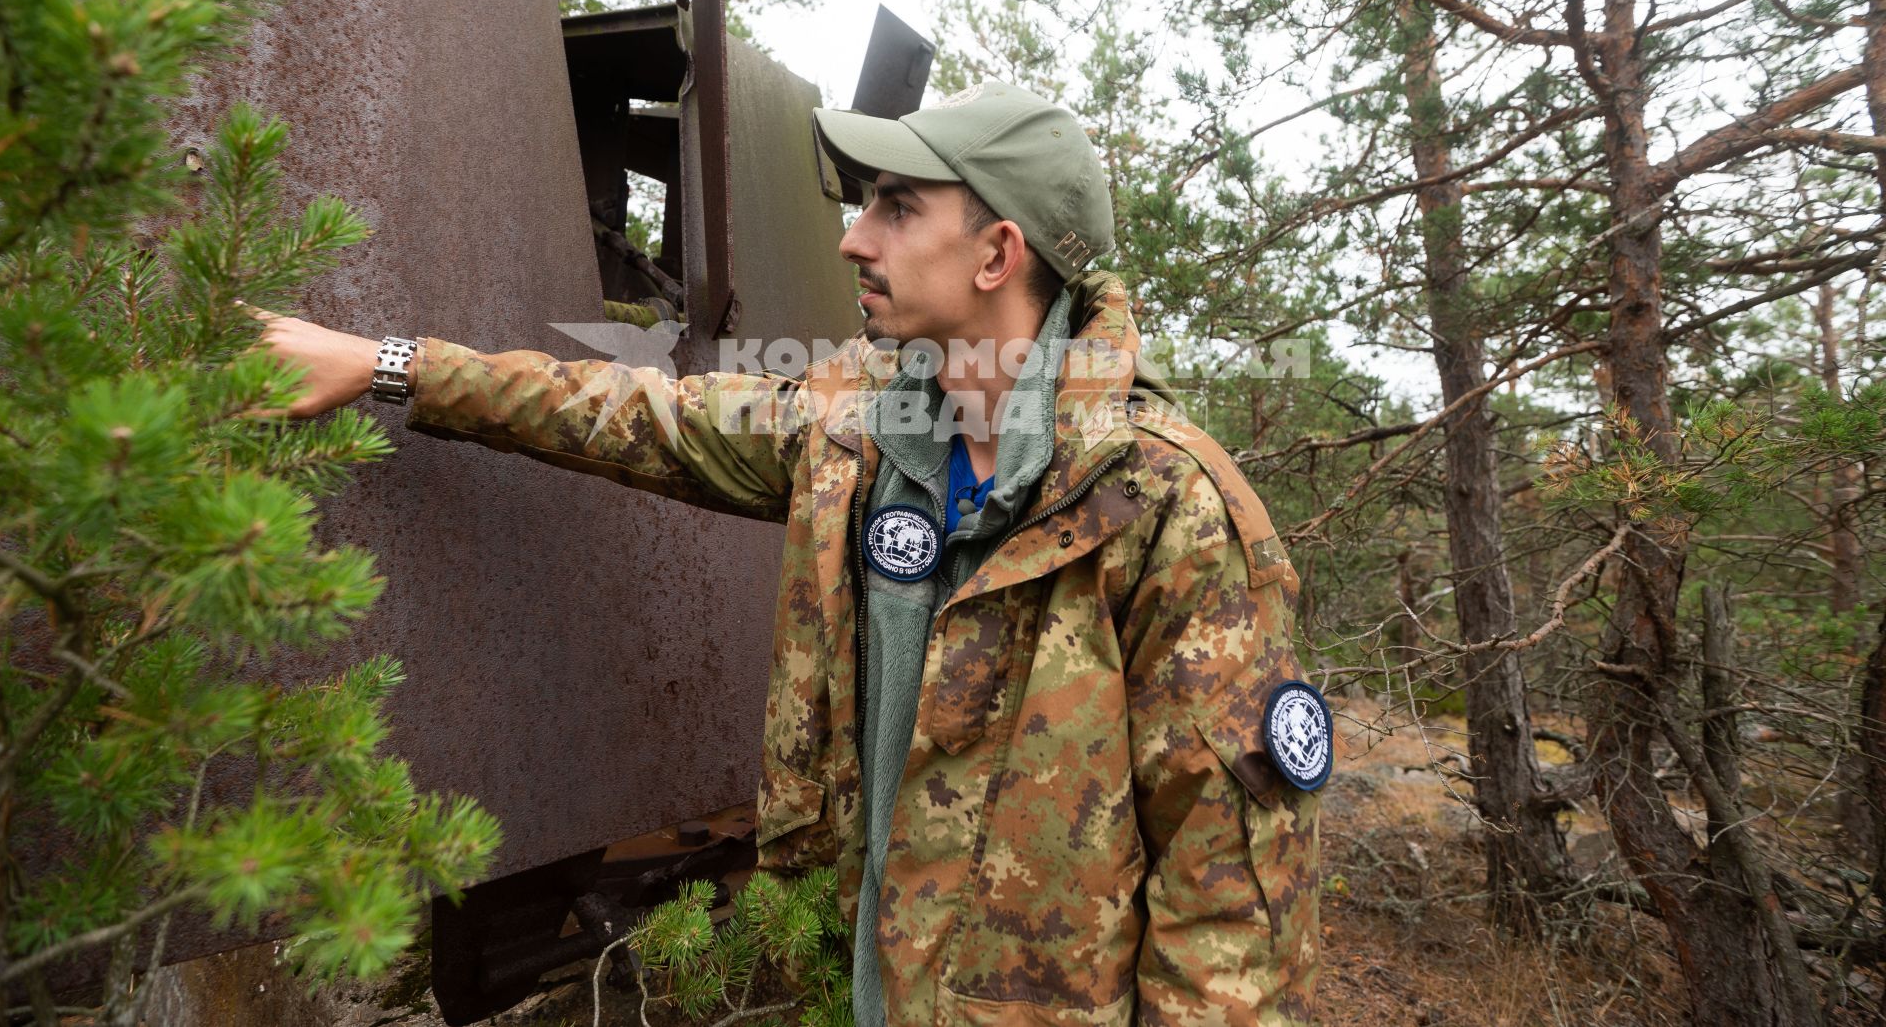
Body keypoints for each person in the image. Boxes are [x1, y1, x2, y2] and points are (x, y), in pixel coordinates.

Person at [253, 82, 1326, 1024]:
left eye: (898, 208)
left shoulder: (1163, 505)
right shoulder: (856, 433)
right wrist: (386, 364)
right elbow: (638, 414)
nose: (855, 239)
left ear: (998, 253)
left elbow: (1228, 911)